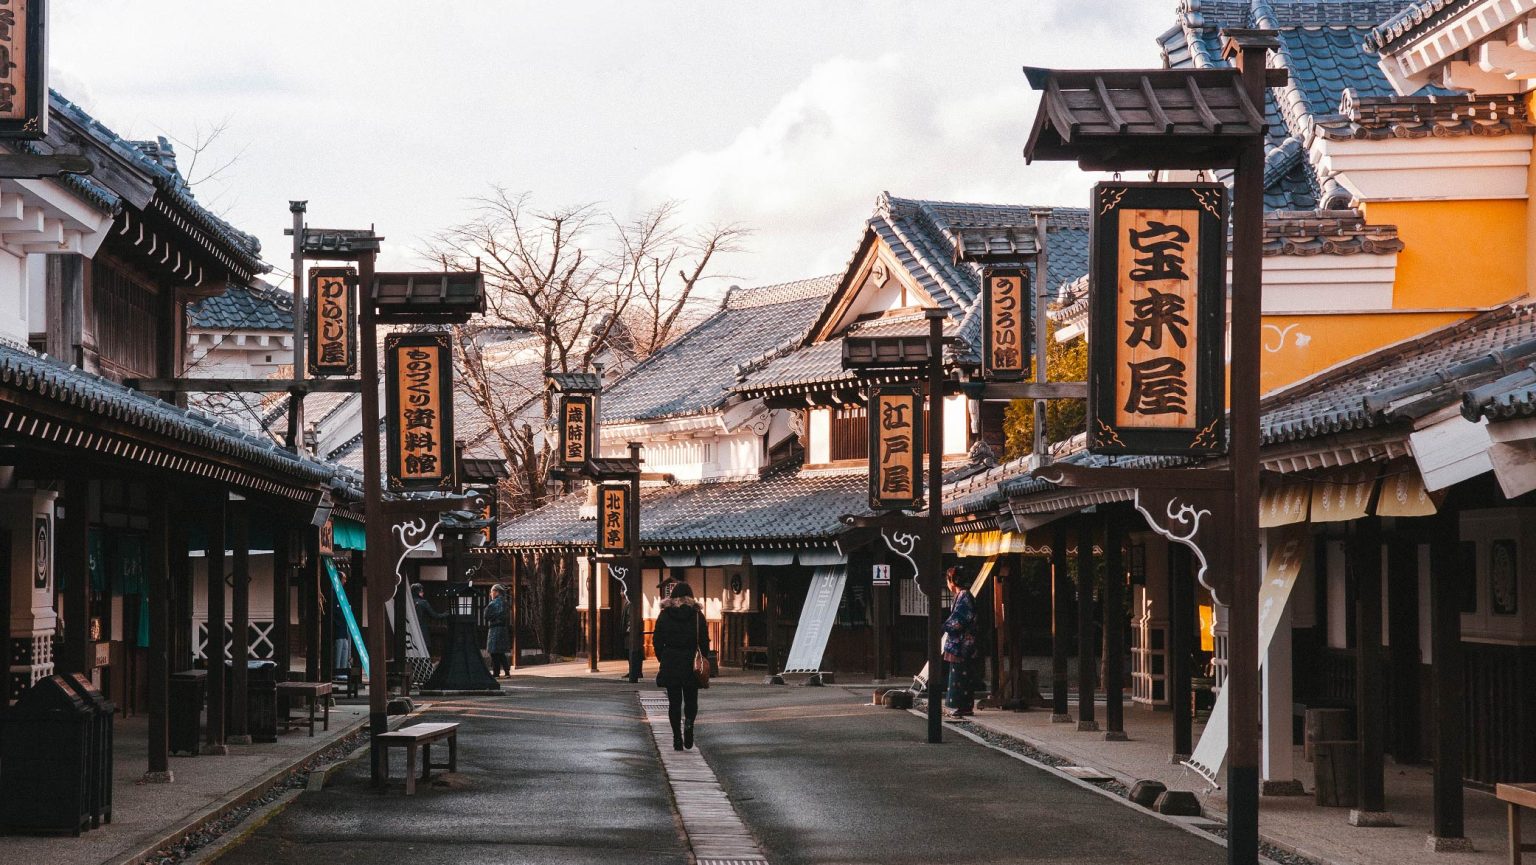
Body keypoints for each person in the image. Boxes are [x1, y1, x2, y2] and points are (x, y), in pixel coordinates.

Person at [653, 581, 712, 751]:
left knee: (674, 702)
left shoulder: (664, 615)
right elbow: (704, 641)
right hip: (690, 662)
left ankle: (676, 737)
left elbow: (657, 640)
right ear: (690, 597)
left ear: (672, 597)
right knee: (691, 699)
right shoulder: (697, 616)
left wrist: (662, 658)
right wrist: (702, 659)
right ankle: (689, 726)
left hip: (671, 661)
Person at [942, 565, 978, 718]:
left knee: (961, 676)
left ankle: (964, 706)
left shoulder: (964, 596)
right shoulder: (962, 595)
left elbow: (960, 619)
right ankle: (963, 706)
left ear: (952, 581)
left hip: (963, 643)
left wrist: (944, 626)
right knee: (960, 675)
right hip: (961, 641)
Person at [484, 584, 511, 677]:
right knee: (500, 652)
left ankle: (496, 672)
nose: (491, 594)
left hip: (495, 629)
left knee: (494, 652)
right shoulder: (505, 602)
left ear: (496, 592)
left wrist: (493, 617)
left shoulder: (493, 603)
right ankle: (507, 672)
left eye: (492, 591)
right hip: (503, 629)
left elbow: (486, 615)